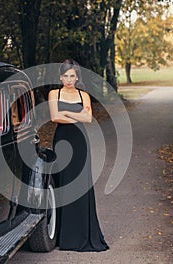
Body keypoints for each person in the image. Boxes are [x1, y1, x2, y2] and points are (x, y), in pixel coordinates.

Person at [48, 59, 109, 252]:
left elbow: (88, 118)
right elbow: (54, 117)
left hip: (80, 141)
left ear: (77, 77)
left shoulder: (83, 95)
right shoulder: (54, 93)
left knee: (81, 183)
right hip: (62, 141)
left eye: (72, 76)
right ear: (60, 77)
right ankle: (64, 237)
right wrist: (75, 112)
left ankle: (82, 235)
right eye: (65, 76)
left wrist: (65, 110)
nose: (68, 79)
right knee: (64, 182)